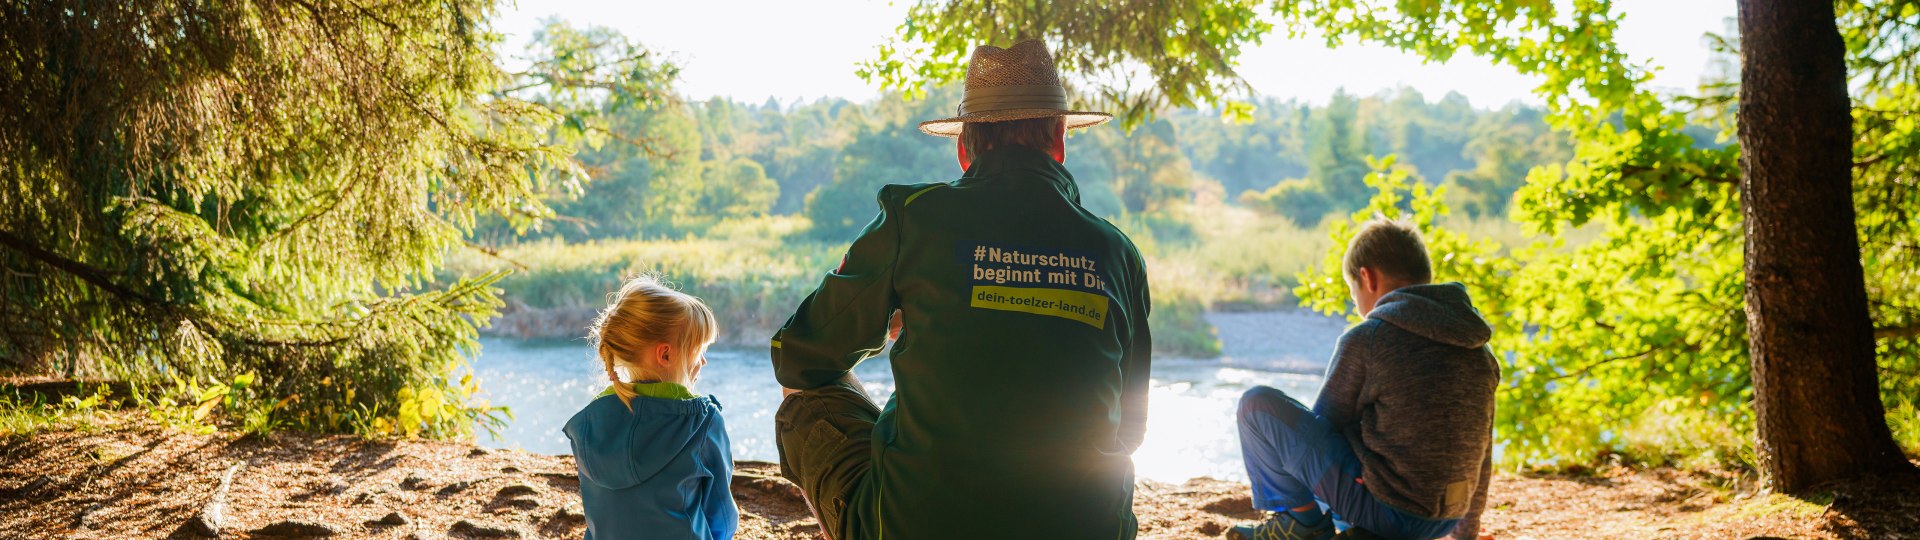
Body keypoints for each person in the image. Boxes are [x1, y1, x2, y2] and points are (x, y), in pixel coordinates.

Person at [769, 39, 1153, 540]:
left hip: (921, 526)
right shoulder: (1118, 252)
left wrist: (893, 322)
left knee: (803, 404)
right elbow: (1130, 430)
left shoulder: (914, 217)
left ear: (962, 146)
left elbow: (800, 356)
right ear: (1060, 139)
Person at [1227, 219, 1498, 540]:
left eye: (1352, 290)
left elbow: (1323, 428)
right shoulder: (1480, 351)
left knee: (1257, 405)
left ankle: (1301, 524)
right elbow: (1481, 452)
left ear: (1367, 278)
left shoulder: (1370, 338)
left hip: (1389, 510)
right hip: (1445, 519)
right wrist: (1465, 533)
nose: (1356, 303)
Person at [564, 275, 736, 540]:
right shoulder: (703, 422)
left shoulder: (591, 422)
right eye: (698, 350)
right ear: (665, 355)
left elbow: (598, 512)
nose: (703, 361)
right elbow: (721, 515)